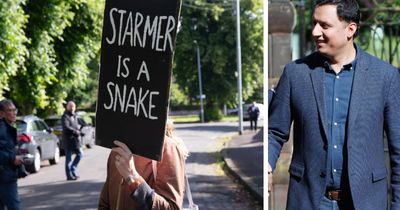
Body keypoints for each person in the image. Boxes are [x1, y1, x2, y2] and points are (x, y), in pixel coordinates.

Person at [268, 0, 400, 209]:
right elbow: (274, 131)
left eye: (324, 25)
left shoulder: (386, 77)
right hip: (309, 201)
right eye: (314, 23)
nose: (315, 32)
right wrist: (266, 164)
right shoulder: (296, 74)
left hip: (365, 202)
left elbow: (398, 149)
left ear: (350, 29)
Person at [99, 119, 188, 210]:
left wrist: (133, 177)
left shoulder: (167, 148)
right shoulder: (118, 149)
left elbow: (172, 208)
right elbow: (105, 203)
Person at [0, 99, 23, 210]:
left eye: (15, 110)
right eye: (10, 110)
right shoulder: (2, 128)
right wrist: (12, 158)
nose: (14, 113)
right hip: (5, 177)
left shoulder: (7, 127)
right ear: (1, 113)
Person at [62, 101, 83, 181]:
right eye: (70, 106)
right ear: (67, 107)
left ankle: (72, 170)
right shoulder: (65, 116)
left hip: (75, 141)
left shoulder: (75, 116)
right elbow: (66, 127)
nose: (72, 108)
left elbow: (76, 126)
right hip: (68, 141)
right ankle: (69, 176)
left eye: (73, 106)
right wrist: (75, 131)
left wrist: (79, 130)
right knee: (68, 160)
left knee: (80, 154)